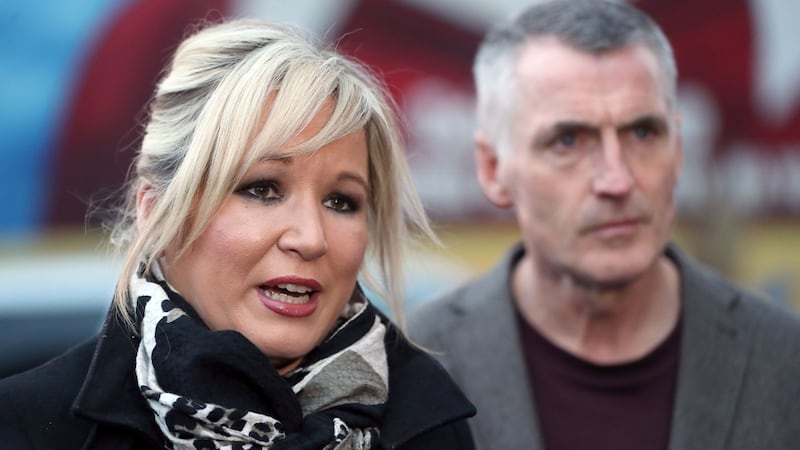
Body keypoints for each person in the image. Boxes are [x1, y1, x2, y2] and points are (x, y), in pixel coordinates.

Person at [0, 19, 475, 449]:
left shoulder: (430, 422)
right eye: (262, 189)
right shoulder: (29, 425)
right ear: (158, 211)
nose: (311, 238)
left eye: (341, 201)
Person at [408, 1, 800, 449]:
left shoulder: (783, 361)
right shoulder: (416, 364)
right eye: (568, 140)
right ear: (493, 169)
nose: (616, 180)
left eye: (643, 133)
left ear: (678, 152)